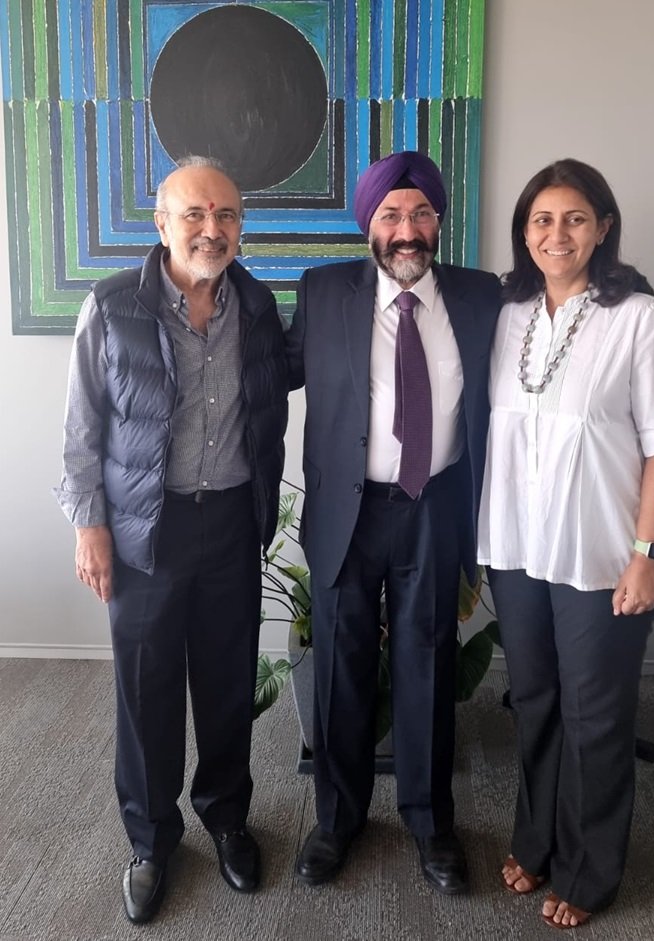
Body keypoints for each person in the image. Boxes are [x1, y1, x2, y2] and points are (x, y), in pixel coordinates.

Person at [54, 156, 288, 924]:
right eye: (194, 213)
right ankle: (151, 838)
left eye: (225, 215)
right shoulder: (111, 305)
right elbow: (82, 429)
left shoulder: (258, 306)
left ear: (240, 227)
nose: (211, 228)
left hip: (230, 520)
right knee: (146, 689)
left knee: (226, 684)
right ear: (162, 224)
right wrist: (90, 526)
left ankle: (225, 816)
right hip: (142, 529)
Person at [477, 158, 654, 929]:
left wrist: (650, 554)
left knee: (595, 714)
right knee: (535, 701)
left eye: (574, 218)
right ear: (524, 233)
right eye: (541, 219)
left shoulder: (638, 316)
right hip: (517, 548)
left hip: (605, 551)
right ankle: (536, 841)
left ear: (603, 227)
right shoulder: (507, 314)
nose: (557, 233)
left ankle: (590, 869)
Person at [285, 151, 501, 894]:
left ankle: (431, 822)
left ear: (438, 221)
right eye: (390, 215)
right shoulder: (323, 292)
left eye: (420, 214)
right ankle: (336, 819)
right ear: (368, 225)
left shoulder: (480, 295)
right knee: (340, 665)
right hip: (348, 509)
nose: (406, 230)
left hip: (435, 505)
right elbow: (266, 371)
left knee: (428, 663)